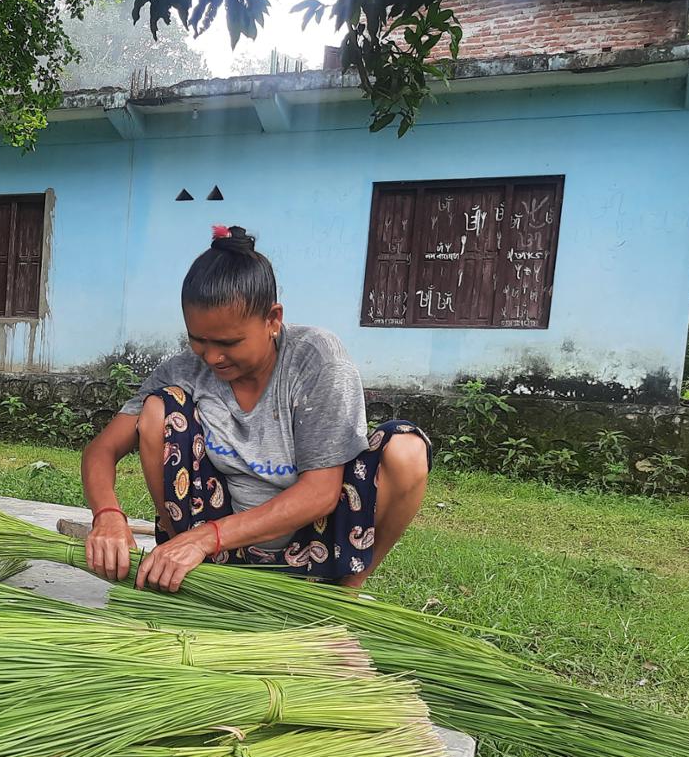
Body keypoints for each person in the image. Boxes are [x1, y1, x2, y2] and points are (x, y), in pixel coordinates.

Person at [80, 224, 432, 593]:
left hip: (317, 540)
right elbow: (102, 449)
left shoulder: (316, 361)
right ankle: (184, 566)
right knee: (156, 411)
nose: (212, 356)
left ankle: (347, 586)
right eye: (198, 340)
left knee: (406, 450)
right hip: (216, 543)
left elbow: (321, 493)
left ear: (273, 319)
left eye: (229, 342)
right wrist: (107, 516)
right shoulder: (185, 370)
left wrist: (206, 537)